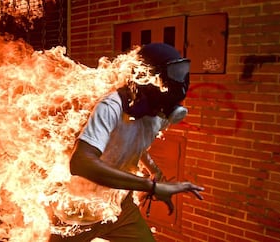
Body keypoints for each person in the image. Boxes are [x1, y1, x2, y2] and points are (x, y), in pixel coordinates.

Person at [49, 43, 204, 242]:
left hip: (119, 208)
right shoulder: (110, 107)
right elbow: (81, 162)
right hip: (78, 213)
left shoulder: (158, 113)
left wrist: (155, 173)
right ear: (145, 77)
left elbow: (136, 144)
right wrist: (151, 187)